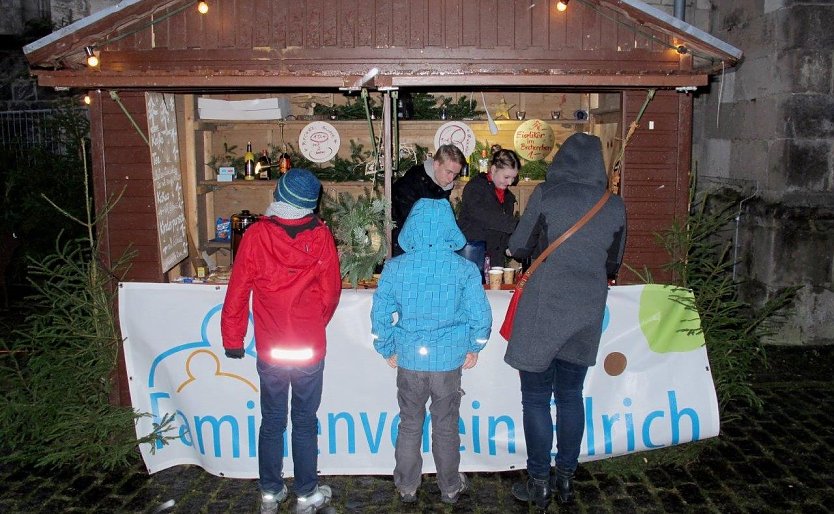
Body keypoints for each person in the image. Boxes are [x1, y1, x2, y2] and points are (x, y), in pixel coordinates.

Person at [504, 133, 627, 509]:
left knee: (536, 398)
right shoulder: (613, 204)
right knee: (571, 396)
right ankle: (567, 480)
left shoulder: (547, 194)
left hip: (544, 306)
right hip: (587, 308)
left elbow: (519, 246)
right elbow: (613, 265)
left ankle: (539, 482)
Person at [221, 168, 342, 514]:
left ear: (278, 195)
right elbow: (331, 292)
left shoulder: (256, 235)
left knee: (272, 420)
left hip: (272, 348)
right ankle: (306, 494)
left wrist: (233, 338)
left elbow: (238, 290)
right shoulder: (321, 236)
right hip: (308, 348)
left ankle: (270, 492)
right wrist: (313, 324)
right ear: (311, 204)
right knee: (304, 421)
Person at [370, 198, 492, 506]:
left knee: (410, 423)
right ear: (449, 228)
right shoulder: (464, 269)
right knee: (446, 425)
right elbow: (481, 315)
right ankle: (450, 487)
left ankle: (407, 486)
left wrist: (386, 348)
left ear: (411, 227)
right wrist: (474, 345)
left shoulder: (395, 267)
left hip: (410, 360)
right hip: (447, 362)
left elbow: (379, 315)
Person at [391, 144, 468, 256]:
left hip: (426, 249)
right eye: (449, 172)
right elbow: (407, 227)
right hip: (404, 249)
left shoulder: (440, 185)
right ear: (436, 165)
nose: (451, 179)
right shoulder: (410, 184)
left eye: (455, 174)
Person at [457, 148, 521, 269]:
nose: (510, 182)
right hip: (471, 258)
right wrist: (518, 225)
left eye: (513, 178)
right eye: (506, 177)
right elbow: (484, 216)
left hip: (495, 261)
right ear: (493, 169)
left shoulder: (507, 197)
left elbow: (502, 231)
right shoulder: (475, 188)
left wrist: (509, 245)